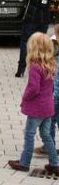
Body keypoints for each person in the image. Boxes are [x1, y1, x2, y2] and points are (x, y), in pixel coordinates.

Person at [8, 32, 59, 176]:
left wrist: (25, 98)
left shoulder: (35, 67)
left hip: (37, 108)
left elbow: (33, 88)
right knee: (46, 135)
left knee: (29, 134)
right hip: (48, 107)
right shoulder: (51, 64)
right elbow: (51, 87)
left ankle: (24, 162)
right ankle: (54, 164)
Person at [15, 0, 55, 78]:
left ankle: (21, 69)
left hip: (30, 20)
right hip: (44, 20)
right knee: (40, 44)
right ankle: (40, 69)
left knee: (25, 42)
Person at [34, 25, 59, 156]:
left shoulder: (54, 49)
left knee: (49, 121)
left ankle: (49, 147)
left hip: (55, 95)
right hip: (55, 93)